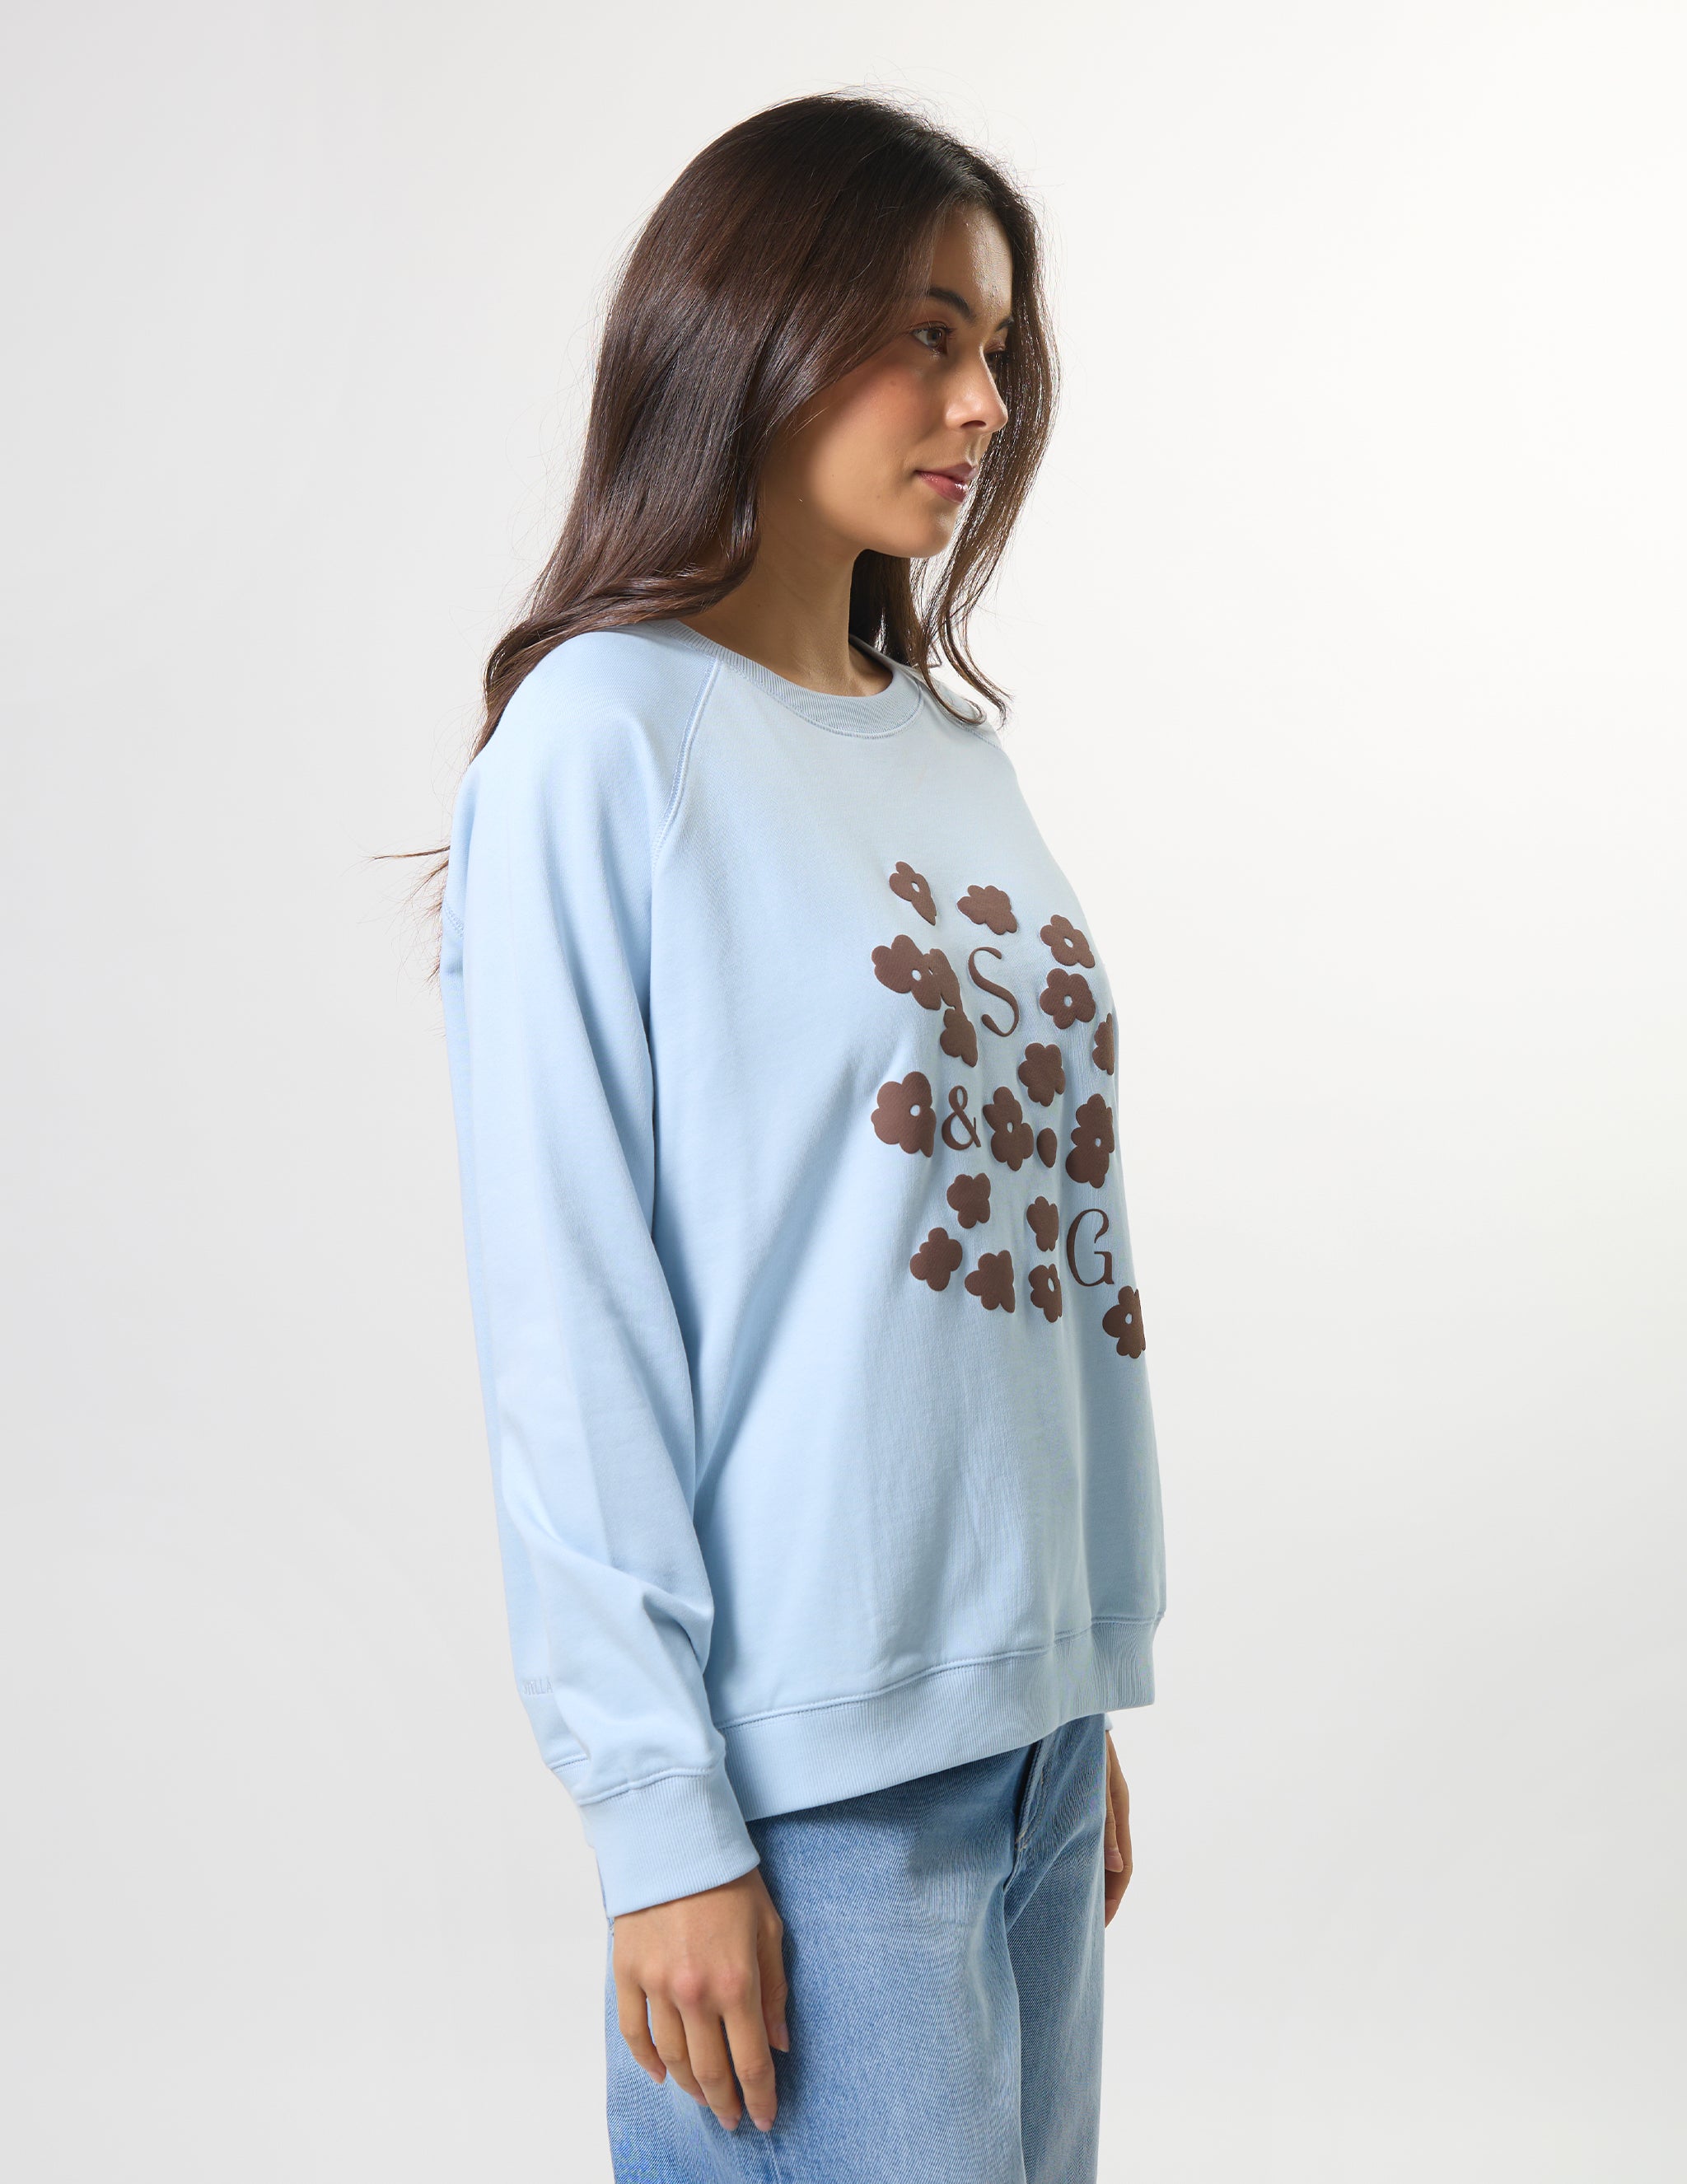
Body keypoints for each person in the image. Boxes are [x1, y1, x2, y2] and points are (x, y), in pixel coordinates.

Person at [428, 90, 1167, 2182]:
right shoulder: (603, 742)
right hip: (805, 1792)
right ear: (752, 326)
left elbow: (1001, 1262)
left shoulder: (942, 741)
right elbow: (570, 1312)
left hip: (1023, 1746)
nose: (982, 400)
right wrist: (655, 1817)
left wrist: (1055, 1684)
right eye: (925, 334)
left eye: (996, 348)